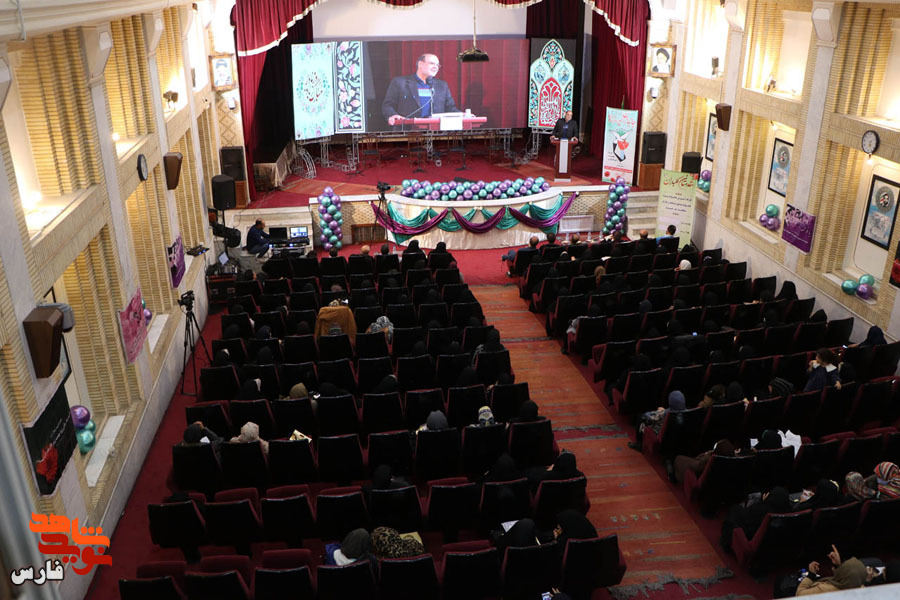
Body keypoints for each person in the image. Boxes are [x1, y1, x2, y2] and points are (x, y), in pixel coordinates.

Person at [382, 53, 459, 127]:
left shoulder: (442, 85)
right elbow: (388, 105)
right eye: (432, 63)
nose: (436, 67)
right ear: (420, 64)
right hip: (408, 129)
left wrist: (463, 115)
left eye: (437, 65)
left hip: (435, 131)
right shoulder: (400, 82)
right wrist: (392, 115)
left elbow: (450, 108)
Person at [720, 486, 792, 551]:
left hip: (747, 535)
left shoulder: (762, 509)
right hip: (764, 543)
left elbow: (748, 514)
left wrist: (763, 502)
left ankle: (726, 541)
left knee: (735, 509)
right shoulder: (784, 514)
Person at [797, 546, 868, 596]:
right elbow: (846, 576)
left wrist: (811, 576)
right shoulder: (862, 589)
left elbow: (800, 595)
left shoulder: (826, 590)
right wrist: (838, 565)